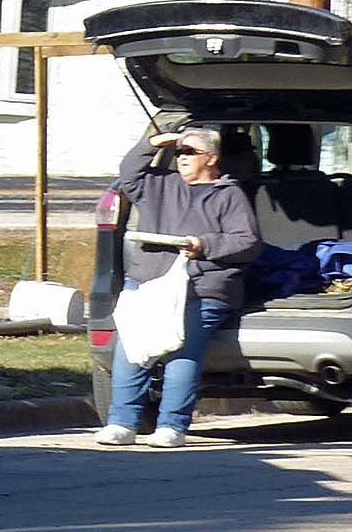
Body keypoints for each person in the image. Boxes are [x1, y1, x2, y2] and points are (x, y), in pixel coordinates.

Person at [97, 124, 260, 449]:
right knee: (132, 348)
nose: (182, 157)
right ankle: (121, 424)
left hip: (202, 287)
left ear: (212, 158)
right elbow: (128, 172)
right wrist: (153, 142)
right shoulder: (158, 184)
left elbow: (248, 242)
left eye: (191, 152)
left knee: (182, 350)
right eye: (179, 152)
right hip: (149, 282)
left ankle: (172, 426)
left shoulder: (229, 194)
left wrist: (204, 245)